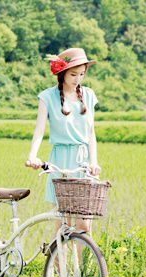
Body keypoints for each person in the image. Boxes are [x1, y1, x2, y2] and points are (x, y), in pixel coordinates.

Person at [26, 47, 101, 233]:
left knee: (85, 224)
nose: (78, 79)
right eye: (73, 74)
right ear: (62, 73)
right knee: (63, 223)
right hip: (60, 160)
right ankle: (59, 262)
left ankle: (83, 263)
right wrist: (32, 156)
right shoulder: (47, 97)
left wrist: (94, 162)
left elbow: (91, 134)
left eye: (82, 74)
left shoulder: (89, 95)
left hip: (83, 161)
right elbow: (39, 130)